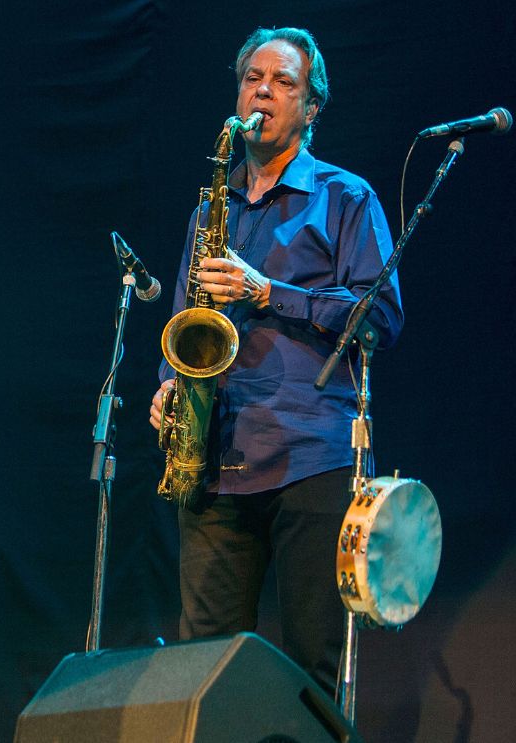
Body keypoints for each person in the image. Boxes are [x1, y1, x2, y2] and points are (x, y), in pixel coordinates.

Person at [148, 28, 404, 693]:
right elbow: (185, 321)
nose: (262, 90)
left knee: (311, 667)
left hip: (310, 458)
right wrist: (169, 383)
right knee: (199, 671)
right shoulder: (211, 205)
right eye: (251, 78)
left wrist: (270, 292)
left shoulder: (346, 198)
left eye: (282, 81)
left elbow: (379, 316)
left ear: (311, 107)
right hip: (214, 458)